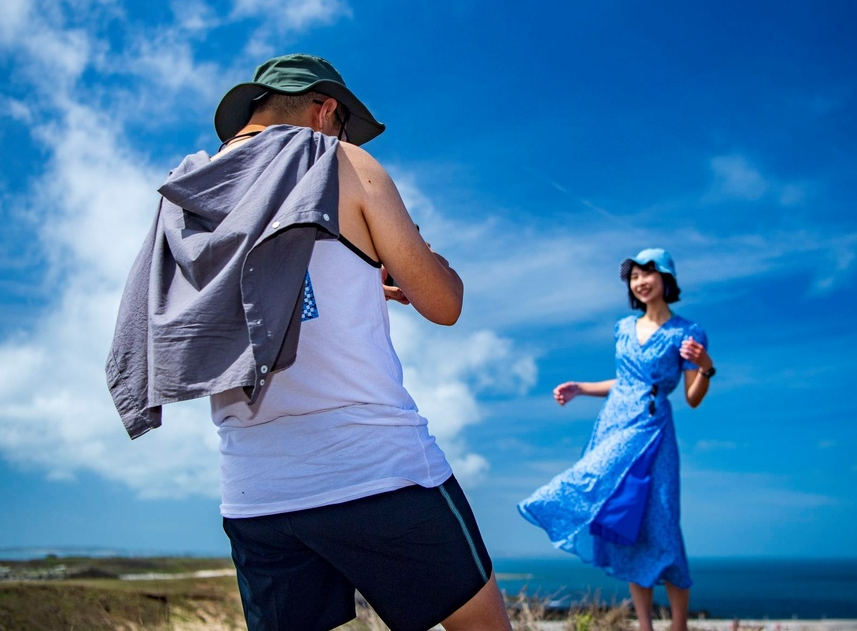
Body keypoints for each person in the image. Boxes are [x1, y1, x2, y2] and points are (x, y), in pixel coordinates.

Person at [107, 54, 511, 631]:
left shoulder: (187, 192)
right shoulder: (342, 161)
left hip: (256, 494)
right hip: (377, 469)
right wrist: (419, 261)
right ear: (326, 111)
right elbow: (445, 304)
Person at [517, 248, 714, 631]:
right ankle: (644, 625)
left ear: (666, 278)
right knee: (626, 523)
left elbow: (692, 398)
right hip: (614, 425)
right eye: (634, 276)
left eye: (647, 274)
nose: (640, 282)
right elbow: (624, 383)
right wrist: (580, 388)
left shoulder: (688, 332)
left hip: (654, 432)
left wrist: (705, 366)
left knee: (661, 522)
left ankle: (678, 626)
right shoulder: (623, 328)